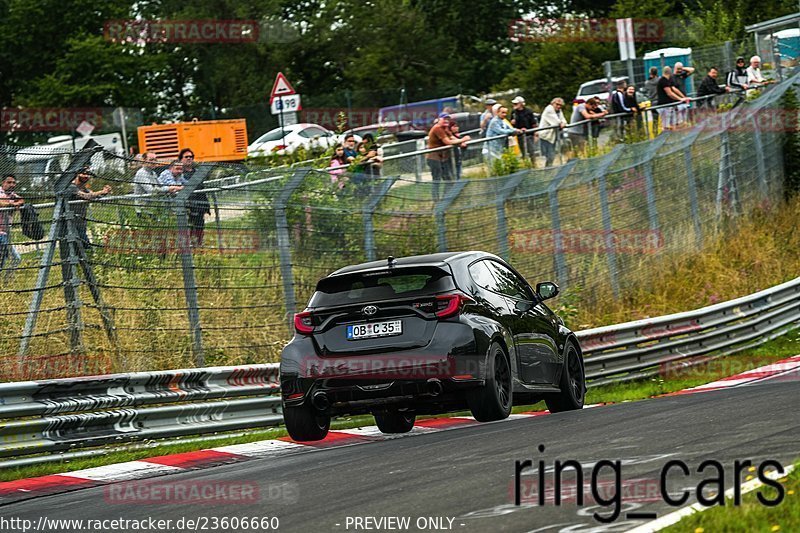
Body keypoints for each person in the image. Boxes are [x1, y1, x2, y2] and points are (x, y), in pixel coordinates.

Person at [426, 113, 470, 201]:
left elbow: (452, 138)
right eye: (444, 119)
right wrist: (463, 140)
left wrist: (460, 143)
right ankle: (436, 201)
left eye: (448, 119)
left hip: (442, 157)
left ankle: (446, 199)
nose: (446, 120)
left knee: (448, 179)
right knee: (437, 180)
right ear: (439, 119)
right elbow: (447, 142)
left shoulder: (445, 128)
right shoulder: (437, 128)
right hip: (433, 158)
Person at [66, 167, 112, 249]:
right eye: (84, 173)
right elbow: (86, 196)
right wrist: (101, 192)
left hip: (81, 222)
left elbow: (94, 196)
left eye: (88, 174)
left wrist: (105, 193)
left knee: (82, 247)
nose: (86, 176)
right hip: (70, 223)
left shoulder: (85, 189)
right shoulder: (71, 187)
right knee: (84, 246)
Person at [179, 148, 210, 246]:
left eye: (191, 157)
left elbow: (202, 188)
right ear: (181, 159)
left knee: (200, 225)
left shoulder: (197, 172)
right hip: (188, 204)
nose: (189, 158)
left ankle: (199, 243)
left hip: (200, 203)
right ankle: (191, 244)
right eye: (186, 157)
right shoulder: (180, 173)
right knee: (189, 226)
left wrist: (206, 206)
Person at [0, 174, 24, 274]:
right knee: (4, 258)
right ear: (3, 183)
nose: (12, 184)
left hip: (6, 233)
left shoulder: (12, 195)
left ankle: (5, 283)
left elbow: (22, 200)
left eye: (14, 182)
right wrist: (13, 204)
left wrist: (17, 203)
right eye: (9, 182)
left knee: (16, 258)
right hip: (1, 233)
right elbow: (1, 203)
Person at [656, 66, 690, 131]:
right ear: (670, 73)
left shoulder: (668, 80)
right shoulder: (663, 81)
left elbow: (674, 89)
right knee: (666, 126)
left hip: (670, 106)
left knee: (674, 124)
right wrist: (680, 99)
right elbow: (669, 93)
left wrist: (684, 97)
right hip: (664, 106)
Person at [539, 98, 567, 167]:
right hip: (546, 136)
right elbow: (556, 122)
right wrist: (561, 123)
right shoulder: (549, 109)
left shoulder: (559, 111)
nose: (559, 106)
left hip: (553, 136)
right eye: (557, 104)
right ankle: (547, 170)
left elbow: (564, 120)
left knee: (552, 155)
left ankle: (549, 168)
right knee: (548, 156)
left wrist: (562, 123)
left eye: (560, 105)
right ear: (552, 103)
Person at [510, 96, 538, 162]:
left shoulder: (528, 111)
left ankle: (534, 164)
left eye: (516, 103)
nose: (515, 105)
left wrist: (535, 133)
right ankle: (526, 164)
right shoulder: (514, 112)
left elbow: (533, 123)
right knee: (523, 152)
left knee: (531, 151)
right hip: (519, 135)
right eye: (514, 104)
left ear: (521, 104)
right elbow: (511, 124)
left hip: (529, 134)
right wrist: (512, 123)